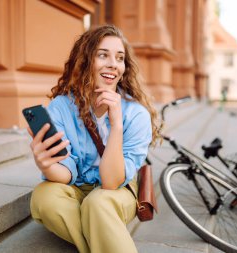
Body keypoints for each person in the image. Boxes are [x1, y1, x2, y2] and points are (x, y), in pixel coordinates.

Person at [28, 24, 160, 253]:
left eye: (120, 58)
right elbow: (66, 173)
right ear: (86, 61)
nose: (113, 64)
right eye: (103, 55)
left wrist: (116, 125)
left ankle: (99, 229)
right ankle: (103, 239)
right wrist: (47, 164)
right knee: (44, 196)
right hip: (77, 185)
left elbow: (110, 182)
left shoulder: (136, 114)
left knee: (98, 203)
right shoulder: (62, 107)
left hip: (116, 191)